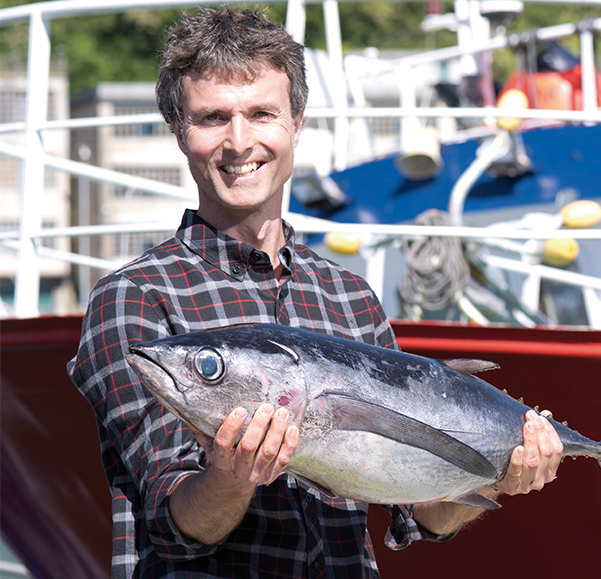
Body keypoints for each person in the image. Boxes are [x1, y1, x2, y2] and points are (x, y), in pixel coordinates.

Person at [68, 7, 562, 578]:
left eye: (261, 114)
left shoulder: (350, 296)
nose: (239, 141)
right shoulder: (133, 298)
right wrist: (232, 475)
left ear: (296, 123)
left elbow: (417, 515)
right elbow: (174, 524)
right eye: (212, 118)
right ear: (180, 133)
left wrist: (500, 475)